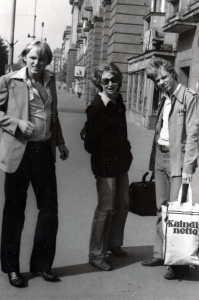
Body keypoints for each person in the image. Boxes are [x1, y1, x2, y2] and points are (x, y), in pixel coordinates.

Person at [0, 40, 69, 288]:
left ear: (47, 60)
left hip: (44, 153)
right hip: (20, 152)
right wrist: (16, 124)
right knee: (14, 213)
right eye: (32, 57)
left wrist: (59, 142)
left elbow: (53, 115)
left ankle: (41, 265)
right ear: (24, 57)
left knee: (49, 210)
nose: (37, 63)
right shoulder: (9, 81)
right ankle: (12, 268)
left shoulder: (50, 81)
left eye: (42, 58)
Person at [141, 57, 199, 279]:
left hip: (178, 160)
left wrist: (188, 167)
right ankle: (160, 253)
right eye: (157, 80)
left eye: (164, 77)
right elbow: (160, 130)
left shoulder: (188, 98)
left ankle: (177, 264)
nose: (161, 82)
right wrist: (152, 160)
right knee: (161, 208)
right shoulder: (164, 98)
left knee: (175, 211)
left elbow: (194, 134)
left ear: (173, 74)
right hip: (160, 156)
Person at [84, 62, 133, 271]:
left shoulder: (118, 101)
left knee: (123, 203)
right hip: (105, 165)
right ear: (99, 83)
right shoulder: (96, 108)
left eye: (114, 79)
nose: (110, 84)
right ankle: (96, 254)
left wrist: (126, 150)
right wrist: (109, 150)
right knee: (105, 208)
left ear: (119, 79)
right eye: (105, 80)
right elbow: (90, 145)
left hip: (121, 162)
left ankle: (114, 244)